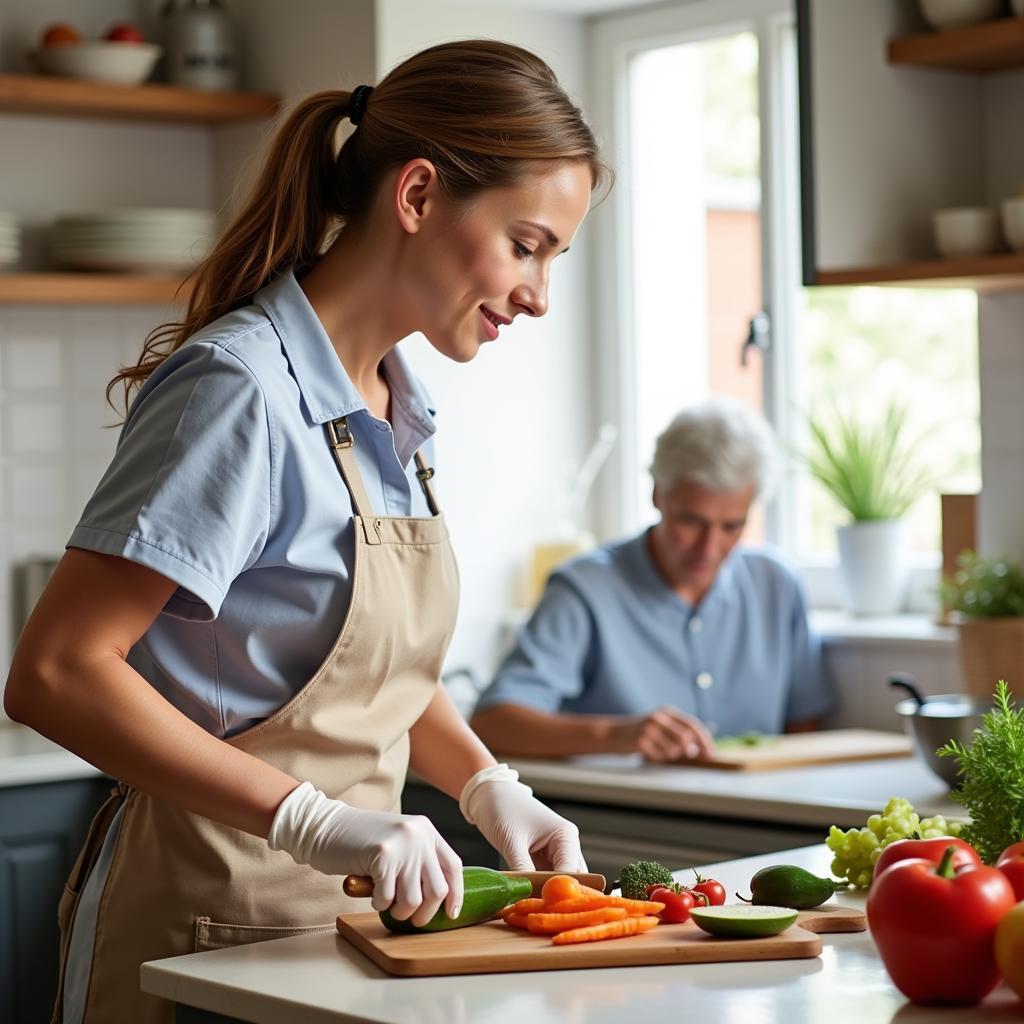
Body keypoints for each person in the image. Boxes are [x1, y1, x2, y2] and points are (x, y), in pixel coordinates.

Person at [3, 40, 609, 1024]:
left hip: (346, 942)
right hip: (197, 938)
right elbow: (58, 671)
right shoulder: (240, 389)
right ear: (416, 196)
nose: (540, 292)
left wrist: (490, 784)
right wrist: (310, 818)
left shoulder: (396, 410)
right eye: (527, 244)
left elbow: (370, 681)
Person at [470, 397, 835, 762]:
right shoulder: (584, 589)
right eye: (691, 521)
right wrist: (617, 735)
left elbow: (804, 725)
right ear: (658, 493)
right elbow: (492, 723)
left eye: (731, 526)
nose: (709, 548)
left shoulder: (778, 585)